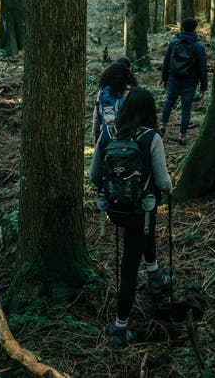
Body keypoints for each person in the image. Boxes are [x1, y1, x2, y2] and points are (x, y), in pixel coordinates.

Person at [89, 87, 172, 350]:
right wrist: (169, 188)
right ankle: (119, 327)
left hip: (115, 210)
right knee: (128, 268)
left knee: (145, 228)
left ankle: (155, 275)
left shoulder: (108, 133)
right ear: (150, 111)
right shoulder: (151, 138)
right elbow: (162, 182)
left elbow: (93, 176)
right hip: (140, 213)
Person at [160, 17, 208, 145]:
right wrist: (204, 86)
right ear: (195, 29)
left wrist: (164, 79)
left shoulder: (173, 43)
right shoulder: (198, 47)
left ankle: (162, 125)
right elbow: (202, 68)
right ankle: (182, 136)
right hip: (190, 83)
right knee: (186, 109)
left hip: (174, 79)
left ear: (181, 28)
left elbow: (166, 63)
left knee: (169, 102)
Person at [92, 59, 137, 144]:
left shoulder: (103, 91)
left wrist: (96, 135)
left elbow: (96, 115)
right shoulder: (129, 90)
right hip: (127, 137)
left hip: (105, 135)